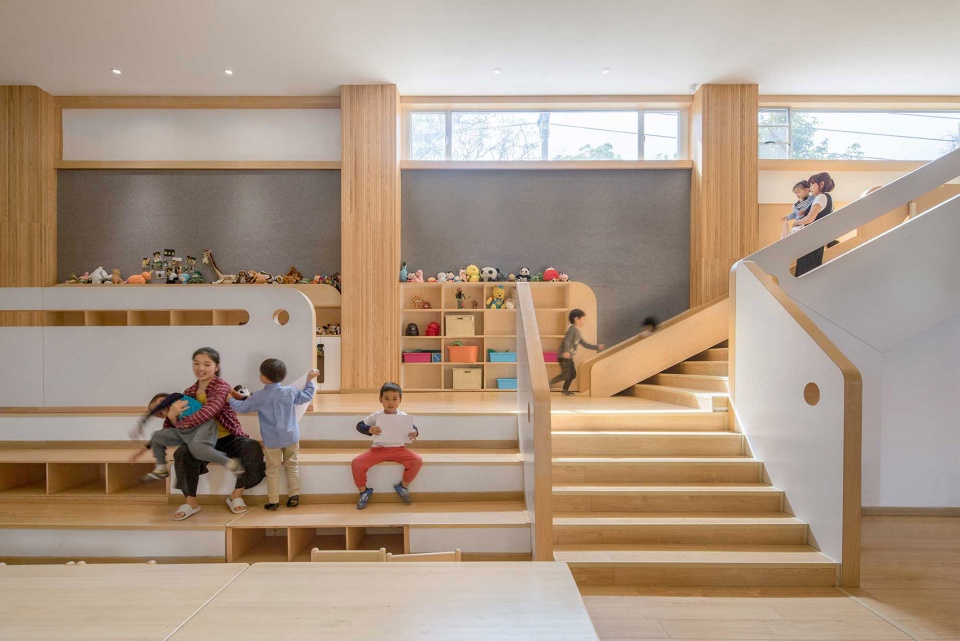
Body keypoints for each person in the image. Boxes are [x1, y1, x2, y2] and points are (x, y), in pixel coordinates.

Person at [169, 347, 266, 521]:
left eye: (207, 364)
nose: (201, 368)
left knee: (252, 447)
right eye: (197, 363)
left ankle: (236, 495)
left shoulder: (221, 387)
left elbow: (209, 411)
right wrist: (172, 415)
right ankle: (191, 503)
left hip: (229, 438)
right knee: (182, 453)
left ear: (216, 367)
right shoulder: (188, 393)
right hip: (203, 441)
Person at [228, 359, 319, 510]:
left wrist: (230, 399)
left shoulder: (259, 396)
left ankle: (273, 500)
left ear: (263, 377)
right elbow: (306, 396)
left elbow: (242, 408)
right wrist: (309, 380)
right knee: (292, 465)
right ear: (283, 376)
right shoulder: (290, 391)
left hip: (272, 440)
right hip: (291, 436)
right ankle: (294, 495)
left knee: (272, 469)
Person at [133, 392, 244, 483]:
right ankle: (161, 469)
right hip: (185, 432)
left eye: (156, 412)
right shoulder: (171, 418)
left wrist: (143, 421)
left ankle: (229, 462)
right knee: (158, 435)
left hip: (203, 426)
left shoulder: (177, 397)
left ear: (160, 400)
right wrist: (142, 451)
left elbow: (166, 403)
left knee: (197, 448)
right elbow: (160, 437)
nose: (157, 415)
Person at [352, 382, 421, 510]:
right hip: (378, 449)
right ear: (380, 400)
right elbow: (359, 426)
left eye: (395, 399)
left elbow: (414, 428)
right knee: (356, 463)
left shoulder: (403, 416)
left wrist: (415, 432)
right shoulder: (376, 415)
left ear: (400, 400)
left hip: (399, 449)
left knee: (417, 460)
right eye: (387, 399)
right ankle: (363, 492)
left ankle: (403, 487)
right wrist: (369, 429)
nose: (391, 402)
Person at [550, 309, 605, 396]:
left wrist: (597, 347)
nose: (584, 321)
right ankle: (549, 383)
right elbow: (567, 340)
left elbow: (585, 344)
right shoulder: (572, 329)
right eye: (583, 319)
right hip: (563, 356)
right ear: (576, 319)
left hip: (569, 357)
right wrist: (566, 351)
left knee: (572, 374)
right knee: (566, 375)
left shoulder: (577, 333)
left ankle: (565, 390)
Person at [793, 172, 836, 276]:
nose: (810, 187)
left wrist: (795, 223)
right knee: (812, 274)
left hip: (810, 241)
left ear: (821, 184)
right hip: (816, 241)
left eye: (812, 184)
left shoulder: (821, 196)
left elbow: (809, 219)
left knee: (804, 274)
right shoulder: (828, 198)